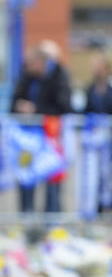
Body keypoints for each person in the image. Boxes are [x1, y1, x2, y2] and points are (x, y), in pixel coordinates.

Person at [11, 43, 73, 213]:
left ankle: (52, 217)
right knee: (26, 176)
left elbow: (63, 106)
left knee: (52, 176)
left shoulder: (58, 77)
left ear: (40, 62)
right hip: (27, 139)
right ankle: (27, 215)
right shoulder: (26, 77)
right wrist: (20, 108)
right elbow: (13, 102)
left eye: (30, 63)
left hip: (50, 137)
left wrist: (36, 110)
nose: (27, 67)